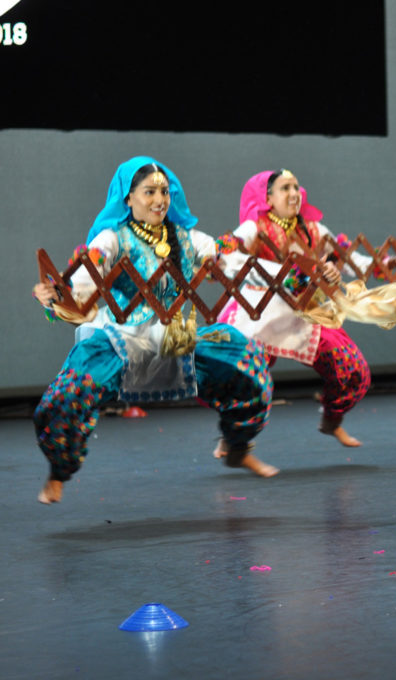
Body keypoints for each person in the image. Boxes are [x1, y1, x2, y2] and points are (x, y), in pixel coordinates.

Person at [31, 157, 276, 504]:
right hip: (121, 338)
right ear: (128, 199)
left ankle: (237, 447)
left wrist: (298, 278)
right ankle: (59, 470)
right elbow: (84, 281)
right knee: (65, 397)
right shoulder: (112, 238)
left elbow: (236, 264)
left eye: (164, 191)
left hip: (173, 336)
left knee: (249, 365)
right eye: (149, 192)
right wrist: (56, 295)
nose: (160, 199)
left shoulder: (187, 239)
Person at [216, 170, 374, 447]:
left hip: (302, 310)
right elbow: (227, 258)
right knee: (245, 376)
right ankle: (232, 437)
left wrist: (388, 262)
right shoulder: (256, 227)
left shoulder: (313, 230)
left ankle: (332, 420)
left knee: (352, 368)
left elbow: (347, 260)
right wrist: (285, 273)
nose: (294, 193)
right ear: (268, 198)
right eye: (285, 188)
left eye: (296, 187)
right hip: (259, 313)